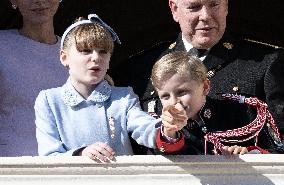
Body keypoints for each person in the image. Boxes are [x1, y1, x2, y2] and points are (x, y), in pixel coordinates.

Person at [112, 0, 284, 146]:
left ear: (226, 7)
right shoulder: (138, 68)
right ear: (174, 9)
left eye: (214, 4)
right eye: (194, 7)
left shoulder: (266, 62)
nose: (206, 16)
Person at [34, 14, 185, 162]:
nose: (95, 58)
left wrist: (167, 129)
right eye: (85, 51)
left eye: (103, 51)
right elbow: (49, 156)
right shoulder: (49, 100)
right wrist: (81, 154)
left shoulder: (124, 97)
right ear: (64, 57)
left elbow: (143, 127)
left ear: (109, 60)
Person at [154, 51, 283, 155]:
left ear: (205, 87)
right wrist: (170, 132)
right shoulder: (162, 125)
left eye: (182, 92)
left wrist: (251, 154)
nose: (174, 101)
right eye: (165, 96)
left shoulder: (242, 111)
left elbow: (276, 151)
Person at [0, 0, 67, 156]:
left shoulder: (80, 52)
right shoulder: (3, 45)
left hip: (65, 167)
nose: (39, 1)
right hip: (11, 167)